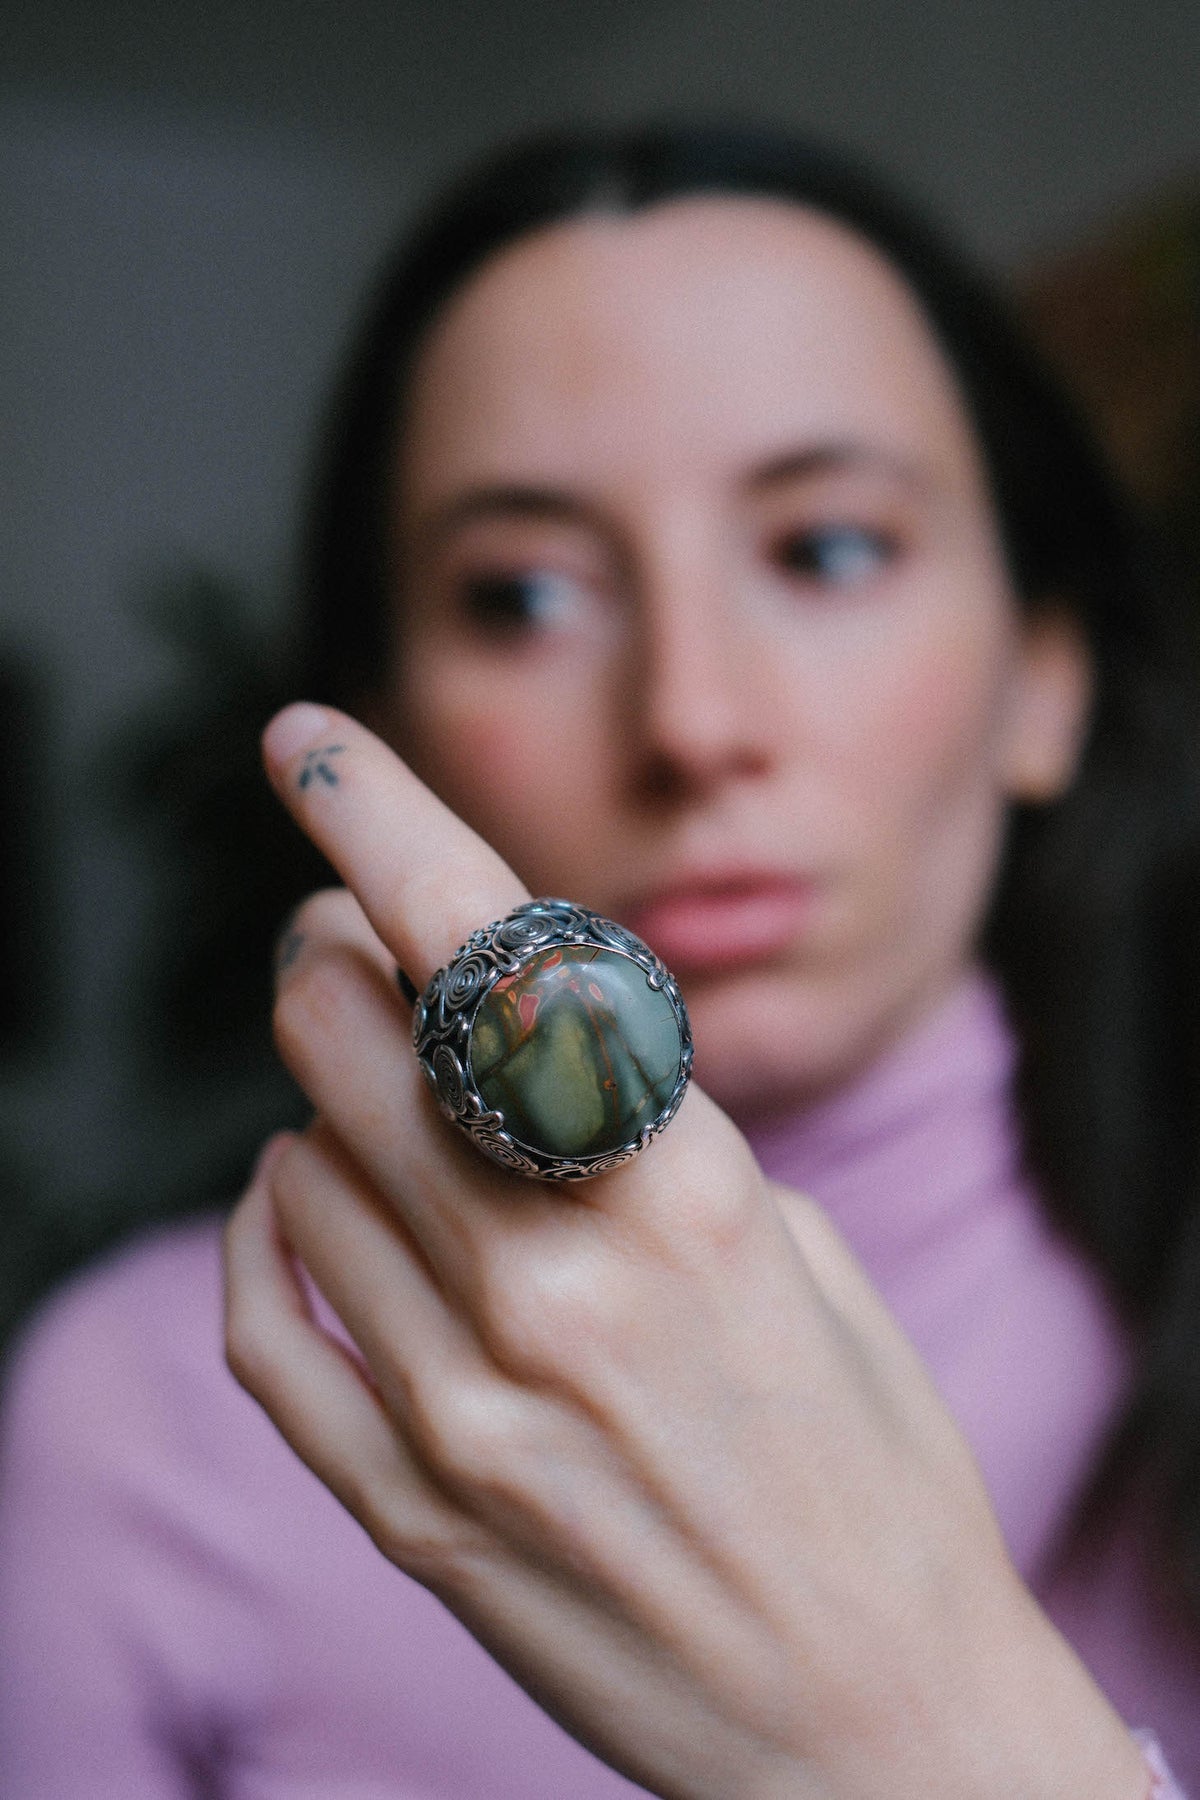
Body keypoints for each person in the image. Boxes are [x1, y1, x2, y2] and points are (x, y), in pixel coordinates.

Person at [2, 124, 1198, 1796]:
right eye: (524, 594)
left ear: (1046, 682)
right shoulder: (143, 1408)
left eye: (829, 548)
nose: (693, 722)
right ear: (395, 726)